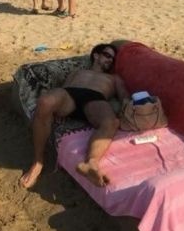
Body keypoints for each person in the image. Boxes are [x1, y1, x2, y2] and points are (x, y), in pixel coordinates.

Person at [20, 43, 130, 190]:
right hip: (70, 94)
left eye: (113, 59)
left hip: (95, 98)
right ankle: (38, 162)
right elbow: (63, 89)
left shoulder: (114, 78)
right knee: (45, 102)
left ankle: (90, 163)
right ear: (96, 55)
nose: (110, 60)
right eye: (107, 55)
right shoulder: (78, 72)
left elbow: (125, 98)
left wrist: (130, 106)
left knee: (111, 122)